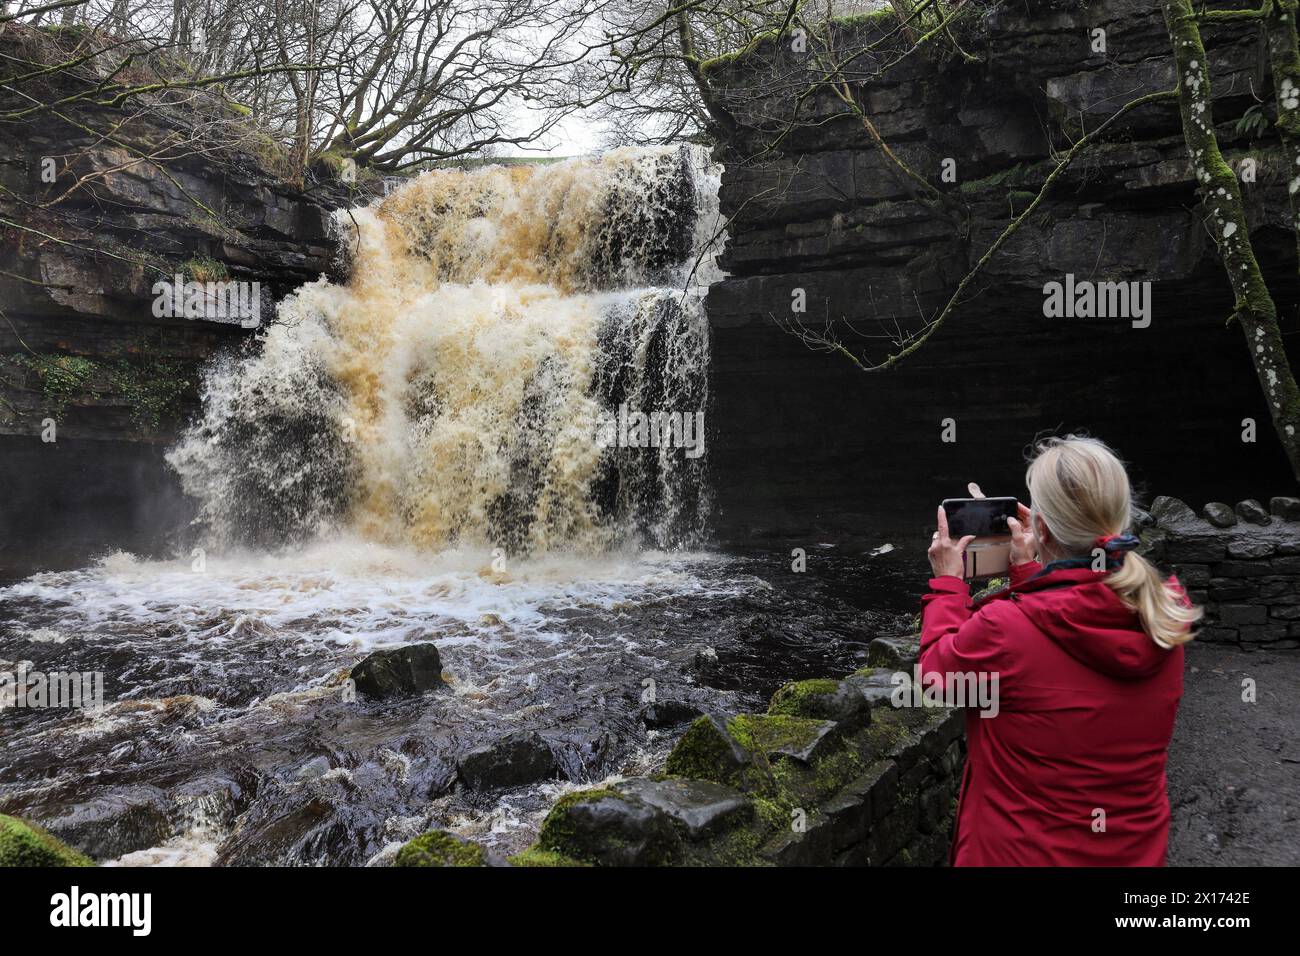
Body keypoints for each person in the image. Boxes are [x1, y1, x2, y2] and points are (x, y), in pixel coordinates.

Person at [920, 436, 1200, 866]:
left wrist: (948, 584)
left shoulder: (1005, 630)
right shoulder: (1163, 613)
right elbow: (1067, 623)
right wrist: (1032, 573)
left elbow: (937, 676)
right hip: (1132, 853)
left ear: (1043, 529)